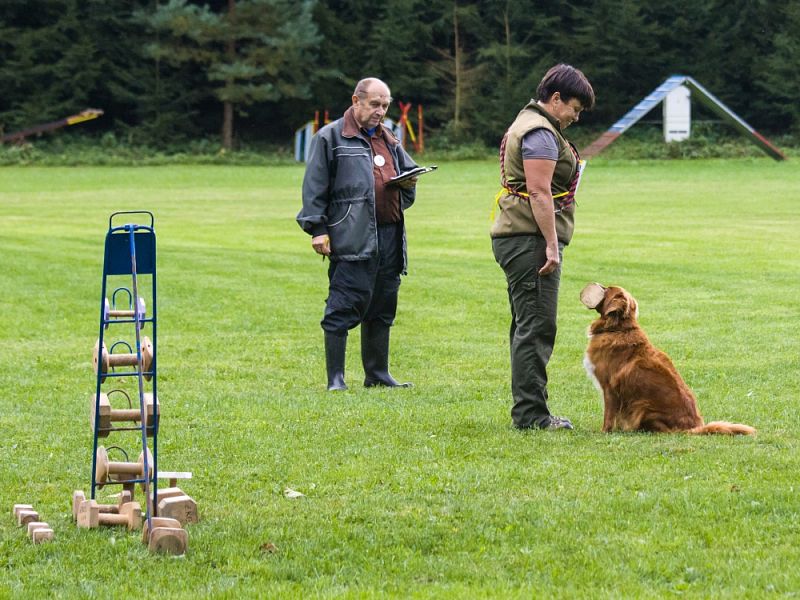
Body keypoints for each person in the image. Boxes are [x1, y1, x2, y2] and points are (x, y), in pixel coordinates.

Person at [490, 64, 595, 430]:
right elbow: (538, 191)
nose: (576, 117)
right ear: (555, 99)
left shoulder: (531, 123)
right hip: (529, 239)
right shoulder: (540, 132)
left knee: (526, 324)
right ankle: (532, 416)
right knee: (536, 326)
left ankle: (528, 409)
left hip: (517, 236)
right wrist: (552, 245)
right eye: (575, 109)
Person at [297, 77, 419, 391]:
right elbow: (314, 187)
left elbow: (407, 175)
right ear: (356, 101)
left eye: (385, 105)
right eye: (375, 104)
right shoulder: (330, 138)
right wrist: (318, 229)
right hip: (350, 236)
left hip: (390, 235)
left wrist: (406, 184)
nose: (381, 111)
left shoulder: (389, 137)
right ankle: (336, 379)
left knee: (382, 304)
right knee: (343, 305)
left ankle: (377, 374)